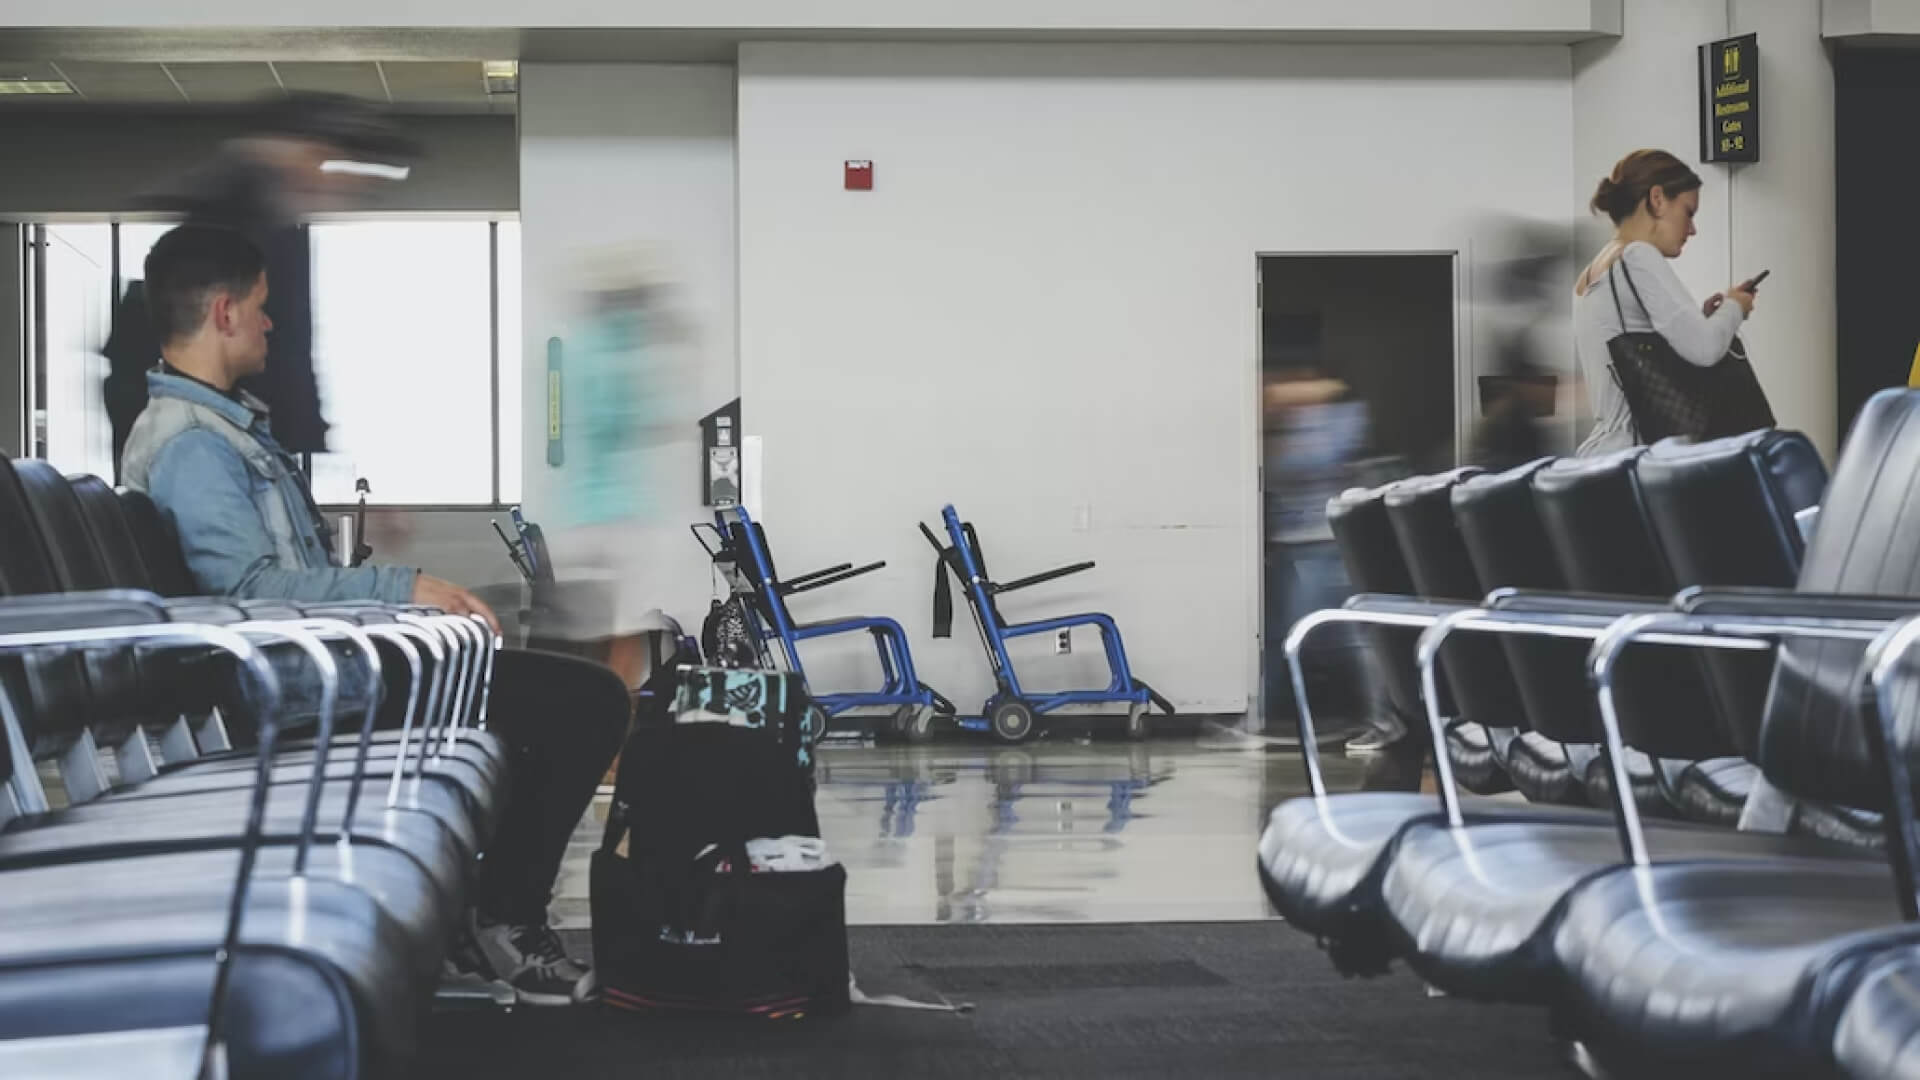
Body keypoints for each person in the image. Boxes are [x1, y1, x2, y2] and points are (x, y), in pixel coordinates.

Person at [119, 224, 627, 1006]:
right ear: (223, 313)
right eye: (260, 307)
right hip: (293, 690)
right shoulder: (195, 446)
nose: (270, 322)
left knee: (549, 698)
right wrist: (403, 589)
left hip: (315, 671)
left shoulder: (222, 429)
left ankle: (470, 918)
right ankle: (502, 921)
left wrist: (398, 603)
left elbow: (285, 581)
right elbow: (251, 592)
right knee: (583, 702)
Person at [106, 92, 417, 467]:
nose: (343, 185)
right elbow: (277, 354)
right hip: (203, 445)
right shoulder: (238, 224)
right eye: (334, 162)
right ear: (302, 151)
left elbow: (287, 354)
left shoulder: (271, 222)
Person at [1574, 149, 1757, 456]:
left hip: (1603, 453)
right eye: (1688, 212)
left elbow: (1635, 352)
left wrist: (1701, 317)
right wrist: (1736, 307)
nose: (1692, 229)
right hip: (1639, 457)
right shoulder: (1637, 255)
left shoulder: (1594, 271)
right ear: (1657, 199)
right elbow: (1705, 348)